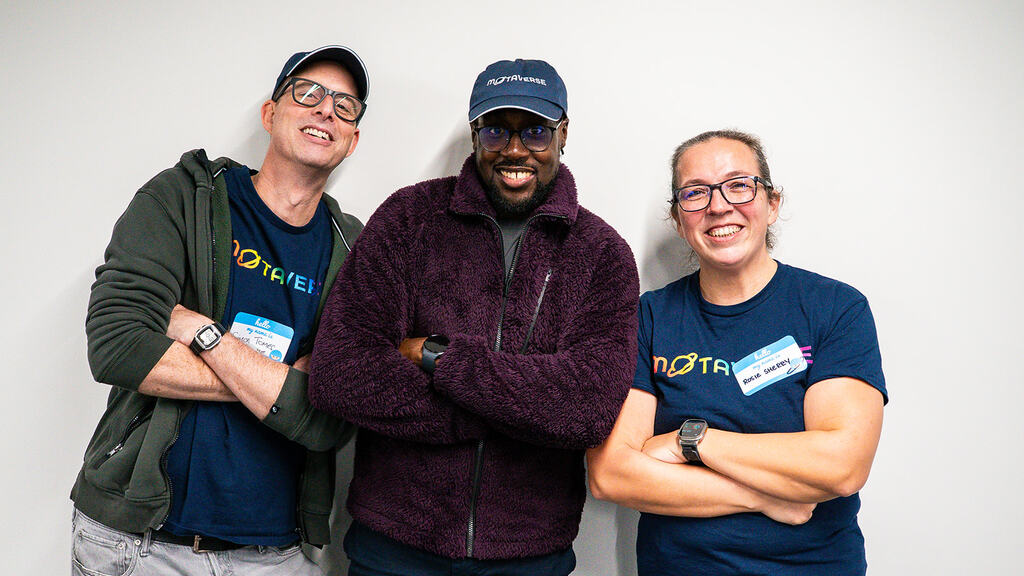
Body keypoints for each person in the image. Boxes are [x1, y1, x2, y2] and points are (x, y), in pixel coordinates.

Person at [308, 58, 639, 575]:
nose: (514, 150)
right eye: (495, 131)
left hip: (529, 557)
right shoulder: (408, 218)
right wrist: (519, 411)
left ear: (563, 133)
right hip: (394, 549)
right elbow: (340, 373)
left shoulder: (602, 253)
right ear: (474, 134)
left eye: (535, 131)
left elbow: (589, 407)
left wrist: (437, 357)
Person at [71, 45, 369, 575]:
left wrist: (204, 334)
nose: (326, 109)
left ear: (352, 140)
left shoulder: (357, 253)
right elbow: (118, 346)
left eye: (344, 106)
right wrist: (285, 386)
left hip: (276, 557)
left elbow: (329, 419)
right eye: (308, 93)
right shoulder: (182, 197)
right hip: (138, 546)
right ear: (270, 113)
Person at [587, 130, 888, 575]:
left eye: (739, 185)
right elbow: (611, 474)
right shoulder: (647, 318)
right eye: (695, 193)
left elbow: (841, 465)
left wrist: (690, 441)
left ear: (772, 203)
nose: (718, 206)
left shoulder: (835, 308)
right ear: (678, 218)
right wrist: (766, 496)